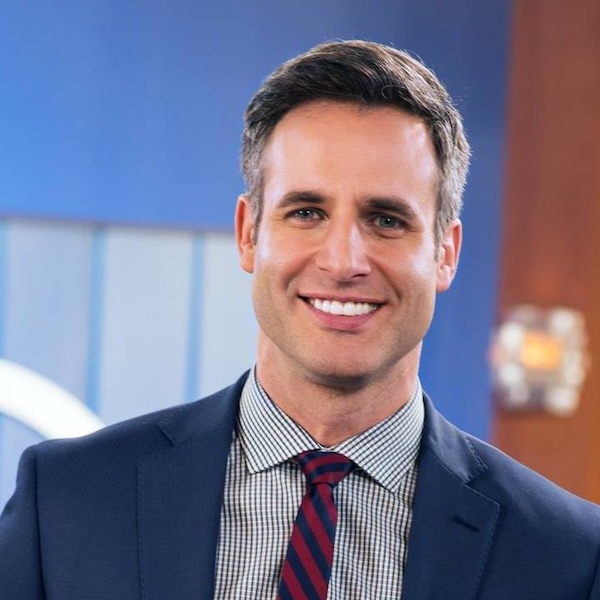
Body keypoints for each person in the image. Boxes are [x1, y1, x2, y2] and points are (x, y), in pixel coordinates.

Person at [1, 39, 599, 600]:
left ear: (445, 253)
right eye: (307, 212)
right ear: (248, 233)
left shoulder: (567, 555)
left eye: (386, 220)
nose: (343, 261)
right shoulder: (65, 500)